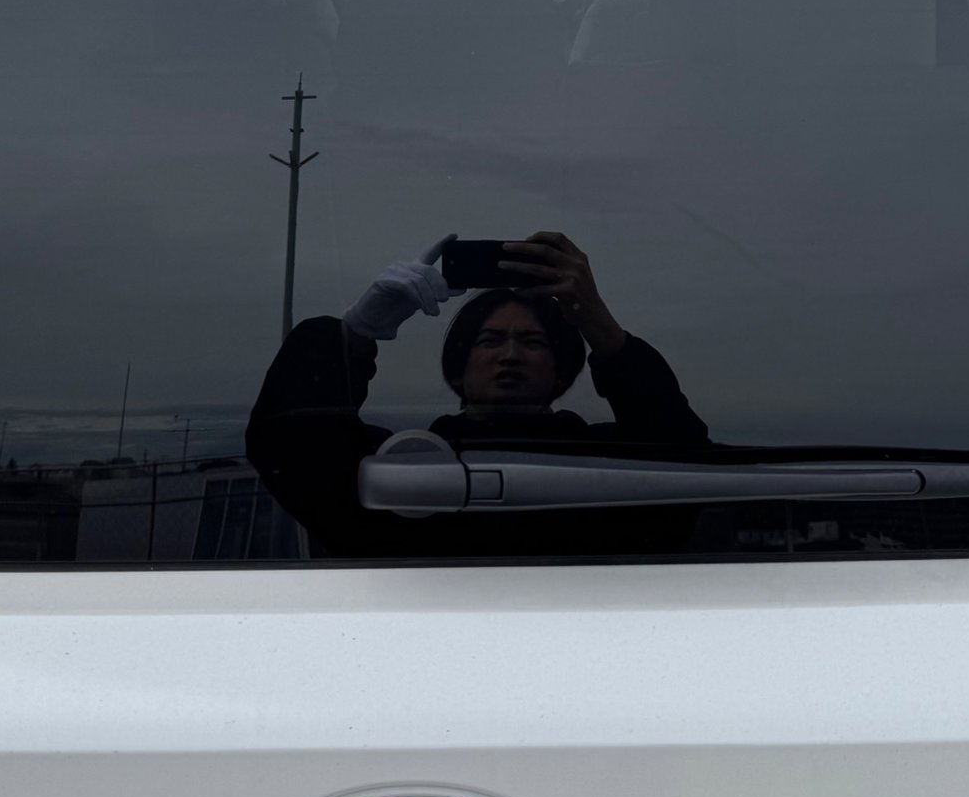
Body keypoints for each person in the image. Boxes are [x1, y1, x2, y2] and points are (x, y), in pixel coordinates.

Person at [246, 231, 709, 557]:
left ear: (562, 367)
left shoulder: (612, 471)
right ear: (459, 366)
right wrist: (357, 332)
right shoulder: (402, 475)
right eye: (490, 340)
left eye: (533, 342)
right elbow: (291, 450)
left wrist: (596, 320)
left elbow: (689, 468)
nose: (510, 355)